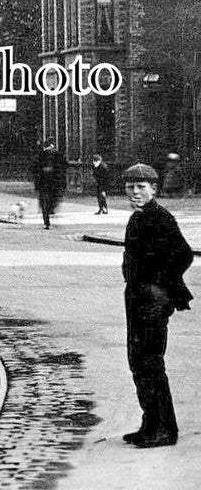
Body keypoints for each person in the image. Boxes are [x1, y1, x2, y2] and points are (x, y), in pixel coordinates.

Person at [119, 163, 193, 448]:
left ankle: (164, 429)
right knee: (138, 362)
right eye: (130, 187)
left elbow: (183, 254)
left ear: (154, 189)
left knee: (151, 363)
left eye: (141, 187)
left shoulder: (161, 218)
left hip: (152, 301)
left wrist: (160, 288)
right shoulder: (138, 218)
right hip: (137, 298)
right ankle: (150, 423)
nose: (135, 192)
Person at [33, 139, 68, 229]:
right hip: (54, 183)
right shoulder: (58, 155)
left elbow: (34, 169)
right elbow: (64, 167)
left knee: (44, 202)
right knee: (52, 199)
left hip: (44, 183)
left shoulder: (40, 156)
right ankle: (50, 211)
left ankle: (46, 221)